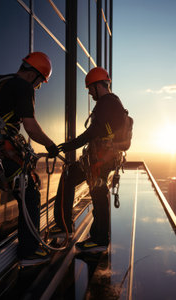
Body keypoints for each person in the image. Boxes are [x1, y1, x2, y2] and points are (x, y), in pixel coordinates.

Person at [0, 52, 59, 265]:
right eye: (40, 83)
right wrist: (51, 145)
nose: (37, 87)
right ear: (34, 75)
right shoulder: (22, 87)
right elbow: (30, 126)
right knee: (30, 192)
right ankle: (29, 251)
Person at [51, 67, 128, 253]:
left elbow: (93, 131)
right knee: (73, 178)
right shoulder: (113, 102)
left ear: (97, 86)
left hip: (100, 159)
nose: (89, 93)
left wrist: (70, 145)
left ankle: (99, 239)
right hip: (101, 157)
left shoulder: (106, 102)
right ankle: (67, 226)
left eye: (90, 89)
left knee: (98, 194)